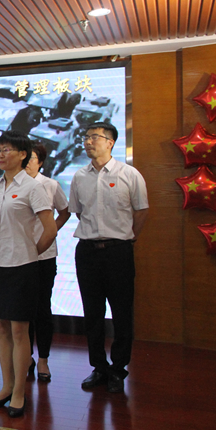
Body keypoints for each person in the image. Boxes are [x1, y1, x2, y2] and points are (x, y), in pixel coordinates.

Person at [0, 131, 57, 418]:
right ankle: (6, 386)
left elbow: (50, 229)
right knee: (0, 328)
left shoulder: (33, 187)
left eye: (7, 150)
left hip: (22, 267)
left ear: (23, 154)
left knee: (19, 330)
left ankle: (20, 393)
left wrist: (30, 253)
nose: (1, 155)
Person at [69, 122, 148, 394]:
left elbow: (141, 211)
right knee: (92, 312)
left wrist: (127, 237)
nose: (88, 141)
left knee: (122, 311)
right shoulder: (79, 176)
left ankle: (118, 368)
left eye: (94, 137)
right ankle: (99, 367)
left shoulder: (129, 174)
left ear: (110, 142)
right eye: (86, 137)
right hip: (87, 251)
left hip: (118, 252)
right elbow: (79, 212)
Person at [25, 143, 70, 382]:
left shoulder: (50, 185)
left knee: (42, 308)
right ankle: (26, 357)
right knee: (22, 311)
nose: (27, 163)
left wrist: (50, 231)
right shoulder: (14, 185)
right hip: (19, 257)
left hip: (43, 256)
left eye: (32, 158)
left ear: (40, 162)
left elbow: (65, 212)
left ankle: (43, 358)